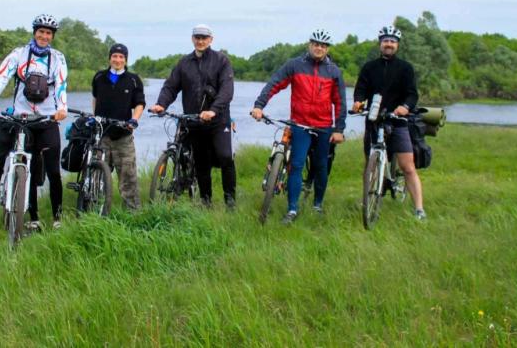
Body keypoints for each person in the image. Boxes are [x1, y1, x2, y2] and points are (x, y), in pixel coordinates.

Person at [250, 29, 347, 223]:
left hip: (323, 126)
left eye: (323, 45)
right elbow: (274, 84)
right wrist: (259, 106)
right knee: (296, 165)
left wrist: (339, 129)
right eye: (316, 44)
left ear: (327, 48)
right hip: (300, 123)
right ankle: (292, 209)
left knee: (321, 166)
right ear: (309, 44)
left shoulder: (334, 72)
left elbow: (340, 102)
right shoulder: (295, 65)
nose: (319, 48)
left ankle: (318, 204)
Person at [0, 14, 68, 230]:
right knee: (27, 166)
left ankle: (58, 217)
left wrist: (61, 108)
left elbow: (61, 85)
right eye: (41, 32)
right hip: (21, 119)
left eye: (48, 33)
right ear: (34, 32)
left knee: (52, 170)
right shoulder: (19, 55)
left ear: (52, 36)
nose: (44, 36)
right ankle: (33, 217)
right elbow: (1, 77)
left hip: (47, 119)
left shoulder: (58, 58)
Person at [149, 24, 237, 208]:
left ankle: (230, 200)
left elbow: (227, 91)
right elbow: (171, 86)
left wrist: (213, 110)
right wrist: (161, 104)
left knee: (225, 157)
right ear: (192, 39)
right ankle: (206, 201)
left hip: (218, 121)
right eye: (197, 37)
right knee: (201, 162)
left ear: (211, 40)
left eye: (204, 37)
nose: (200, 40)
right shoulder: (184, 63)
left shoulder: (221, 61)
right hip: (194, 122)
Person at [352, 25, 425, 220]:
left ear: (397, 45)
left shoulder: (405, 68)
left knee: (407, 166)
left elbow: (412, 93)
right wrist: (358, 102)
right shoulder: (369, 67)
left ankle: (419, 209)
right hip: (374, 121)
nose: (389, 44)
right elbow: (360, 89)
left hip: (398, 121)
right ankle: (367, 199)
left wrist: (405, 107)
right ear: (380, 44)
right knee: (370, 164)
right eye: (386, 41)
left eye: (392, 41)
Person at [91, 43, 145, 210]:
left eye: (121, 57)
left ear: (126, 60)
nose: (117, 59)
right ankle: (96, 211)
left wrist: (134, 120)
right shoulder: (99, 77)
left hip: (123, 137)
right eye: (114, 56)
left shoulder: (134, 80)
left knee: (128, 177)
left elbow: (140, 104)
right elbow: (94, 98)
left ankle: (132, 213)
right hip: (102, 137)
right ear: (110, 58)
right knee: (97, 178)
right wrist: (95, 118)